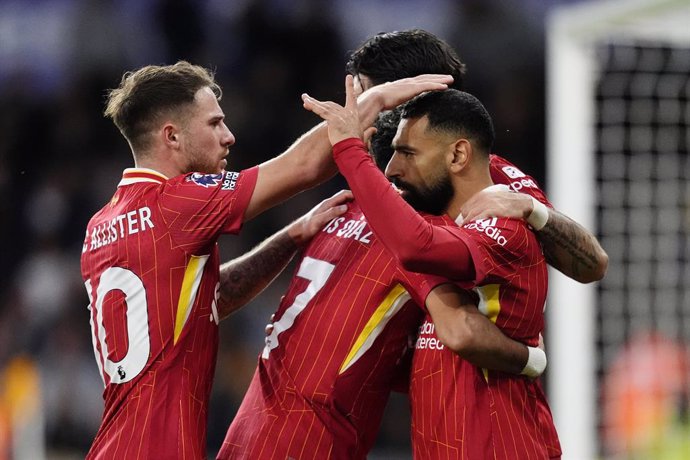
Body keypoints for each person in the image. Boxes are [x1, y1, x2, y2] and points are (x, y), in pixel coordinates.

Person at [79, 60, 452, 459]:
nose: (229, 136)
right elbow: (305, 166)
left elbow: (206, 299)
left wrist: (290, 238)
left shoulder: (102, 225)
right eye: (214, 124)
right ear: (171, 136)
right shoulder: (178, 202)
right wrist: (372, 101)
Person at [216, 115, 546, 460]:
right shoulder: (412, 235)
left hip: (251, 428)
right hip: (313, 439)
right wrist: (531, 357)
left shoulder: (337, 211)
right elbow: (461, 331)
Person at [303, 80, 561, 458]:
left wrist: (349, 150)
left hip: (504, 446)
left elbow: (415, 248)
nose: (393, 169)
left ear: (458, 157)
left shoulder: (504, 227)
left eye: (407, 153)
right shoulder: (450, 223)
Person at [346, 29, 608, 283]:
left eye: (368, 100)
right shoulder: (356, 178)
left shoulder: (491, 177)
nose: (355, 113)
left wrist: (535, 211)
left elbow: (592, 266)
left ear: (407, 98)